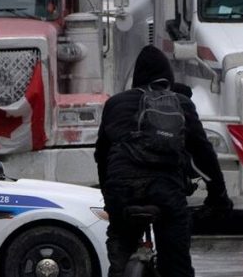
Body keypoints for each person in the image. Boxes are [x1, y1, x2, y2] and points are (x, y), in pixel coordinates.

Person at [95, 46, 232, 277]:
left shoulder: (115, 104)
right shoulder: (181, 103)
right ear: (168, 76)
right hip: (166, 190)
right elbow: (203, 153)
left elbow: (102, 155)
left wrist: (110, 197)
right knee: (176, 265)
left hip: (122, 189)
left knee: (121, 247)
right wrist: (218, 196)